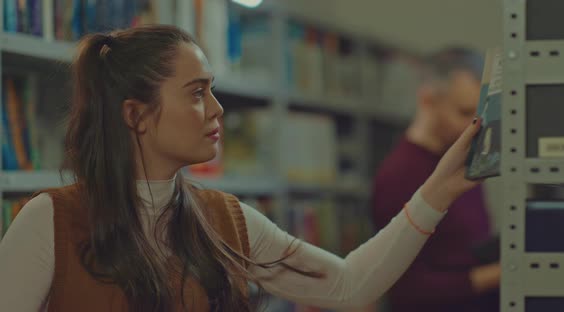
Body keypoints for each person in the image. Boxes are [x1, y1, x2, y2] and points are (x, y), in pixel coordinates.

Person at [0, 26, 484, 312]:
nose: (217, 110)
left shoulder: (224, 220)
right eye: (196, 92)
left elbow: (347, 285)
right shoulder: (51, 220)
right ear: (136, 115)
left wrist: (440, 188)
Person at [371, 47, 500, 312]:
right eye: (464, 113)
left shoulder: (458, 159)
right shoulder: (399, 175)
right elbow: (408, 289)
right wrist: (505, 272)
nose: (474, 127)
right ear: (428, 100)